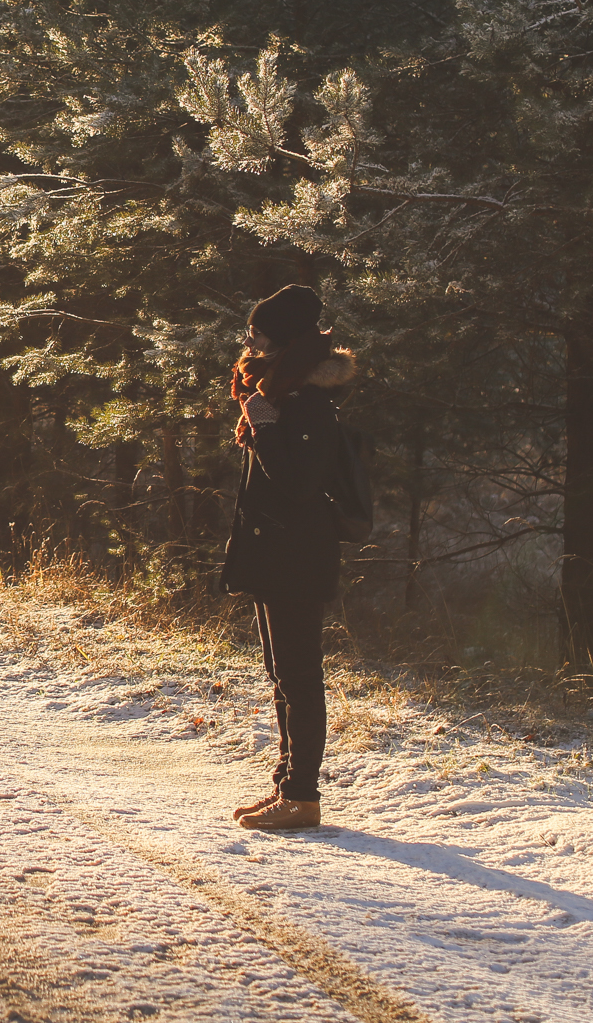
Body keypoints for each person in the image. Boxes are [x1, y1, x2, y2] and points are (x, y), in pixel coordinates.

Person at [221, 284, 357, 831]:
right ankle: (287, 787)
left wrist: (266, 428)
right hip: (278, 555)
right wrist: (263, 420)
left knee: (298, 676)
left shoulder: (305, 403)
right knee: (282, 674)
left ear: (285, 341)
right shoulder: (282, 393)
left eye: (258, 333)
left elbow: (299, 485)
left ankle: (302, 795)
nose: (249, 342)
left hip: (298, 557)